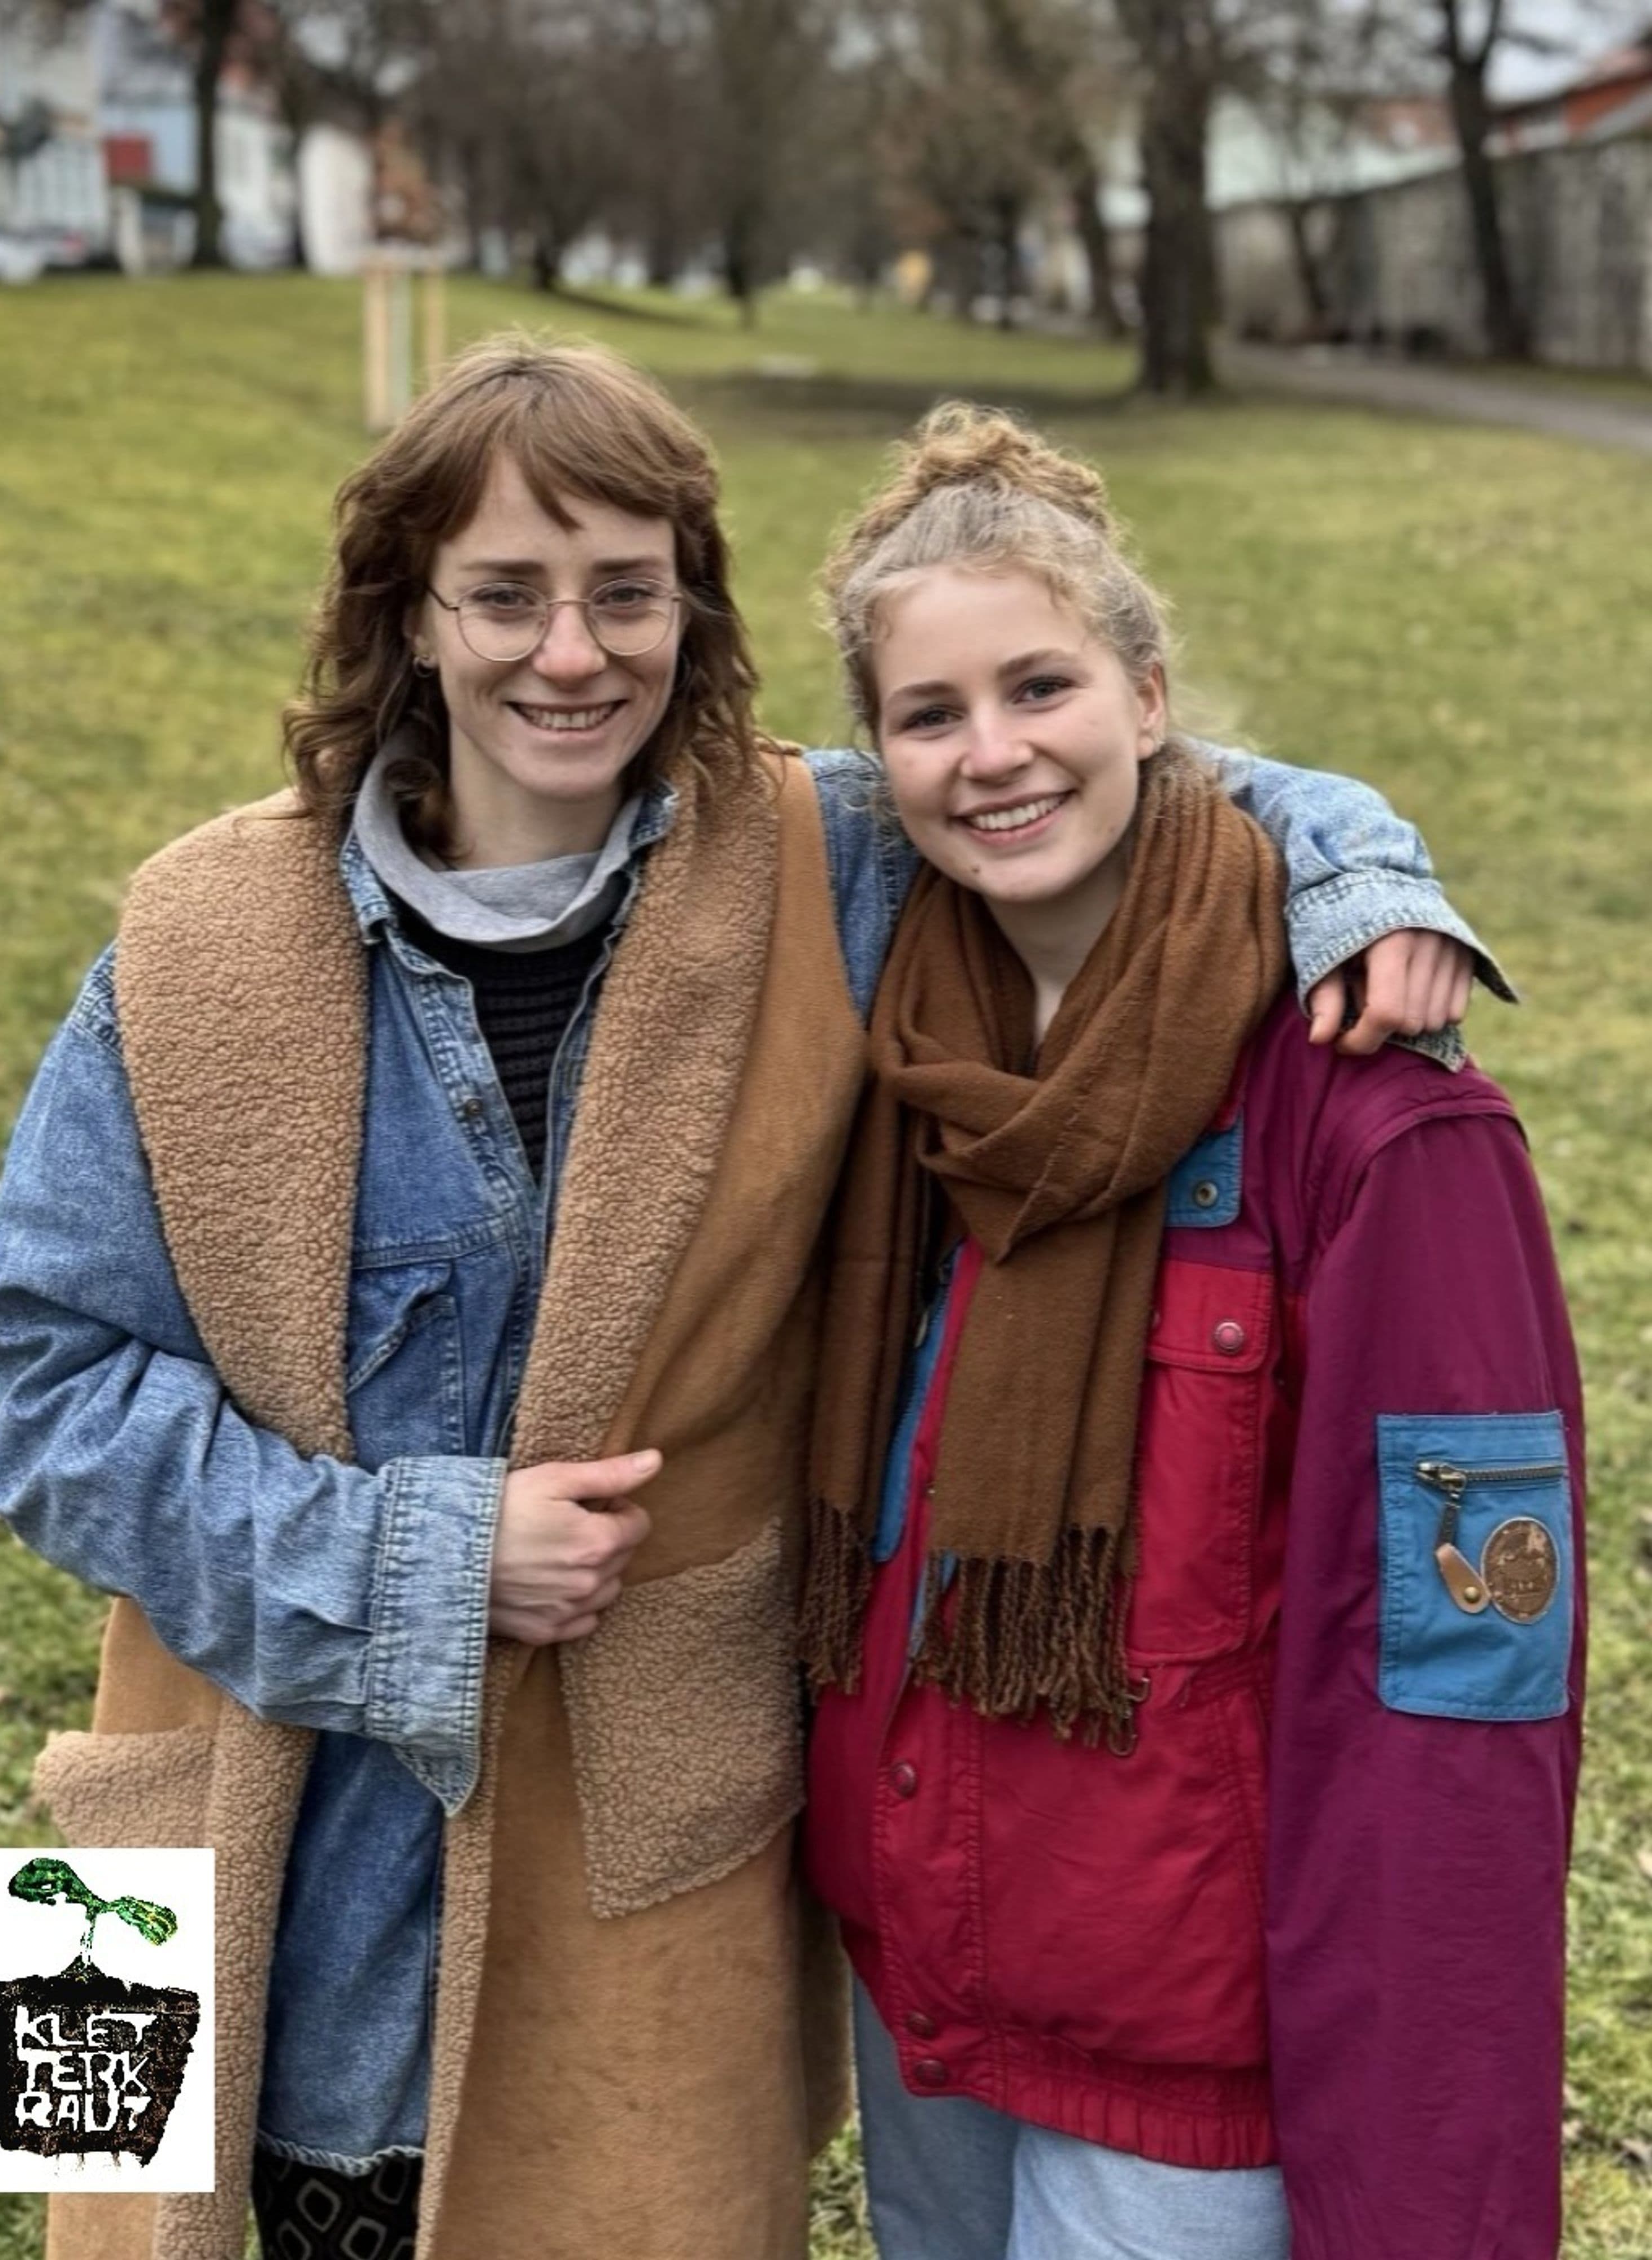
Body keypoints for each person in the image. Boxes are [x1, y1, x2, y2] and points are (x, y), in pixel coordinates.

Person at [0, 339, 1491, 2260]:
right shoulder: (189, 933)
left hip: (628, 1865)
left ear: (690, 609)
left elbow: (1136, 776)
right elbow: (45, 1395)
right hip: (215, 1817)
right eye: (506, 595)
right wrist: (416, 1567)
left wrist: (1366, 876)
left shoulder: (811, 859)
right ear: (407, 615)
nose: (570, 653)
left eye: (626, 591)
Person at [799, 403, 1584, 2260]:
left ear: (1151, 701)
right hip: (923, 1976)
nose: (992, 756)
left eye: (1041, 686)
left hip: (1184, 2056)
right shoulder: (895, 1052)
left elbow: (1462, 1691)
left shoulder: (1384, 1118)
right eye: (930, 714)